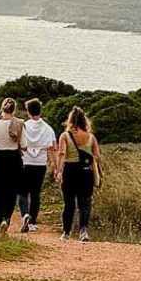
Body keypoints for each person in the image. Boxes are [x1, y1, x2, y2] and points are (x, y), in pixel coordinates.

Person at [56, 106, 101, 243]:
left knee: (69, 203)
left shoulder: (65, 136)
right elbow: (97, 156)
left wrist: (58, 170)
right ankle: (83, 231)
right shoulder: (91, 137)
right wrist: (88, 157)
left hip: (70, 171)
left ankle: (66, 232)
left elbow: (62, 154)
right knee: (85, 203)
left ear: (70, 120)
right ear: (84, 121)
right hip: (86, 172)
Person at [0, 98, 27, 233]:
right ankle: (6, 218)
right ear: (14, 109)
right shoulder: (19, 124)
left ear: (2, 108)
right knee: (12, 191)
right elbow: (24, 145)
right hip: (14, 158)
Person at [18, 98, 57, 234]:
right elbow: (53, 148)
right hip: (40, 164)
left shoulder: (23, 126)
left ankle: (25, 214)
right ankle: (33, 222)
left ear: (28, 112)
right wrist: (57, 167)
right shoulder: (48, 128)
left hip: (25, 162)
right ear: (40, 111)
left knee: (22, 192)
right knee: (35, 193)